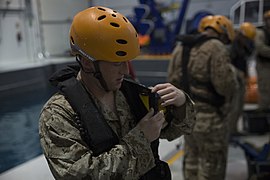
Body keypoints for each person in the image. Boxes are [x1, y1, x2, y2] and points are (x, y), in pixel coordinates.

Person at [39, 6, 196, 180]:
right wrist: (140, 138)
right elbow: (79, 176)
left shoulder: (131, 95)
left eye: (127, 62)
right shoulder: (59, 114)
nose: (126, 70)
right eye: (116, 63)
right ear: (88, 63)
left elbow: (175, 130)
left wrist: (181, 103)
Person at [167, 15, 239, 180]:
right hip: (211, 119)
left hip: (187, 118)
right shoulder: (216, 47)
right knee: (212, 165)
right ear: (223, 34)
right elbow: (225, 86)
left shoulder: (181, 47)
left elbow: (172, 82)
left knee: (191, 160)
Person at [228, 22, 256, 136]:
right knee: (234, 107)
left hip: (241, 79)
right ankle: (230, 131)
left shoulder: (242, 45)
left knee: (239, 107)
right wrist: (238, 73)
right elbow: (228, 64)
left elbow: (248, 54)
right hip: (234, 81)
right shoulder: (232, 46)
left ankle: (234, 130)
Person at [254, 10, 270, 111]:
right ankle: (262, 115)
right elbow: (260, 47)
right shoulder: (260, 32)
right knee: (265, 91)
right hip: (264, 66)